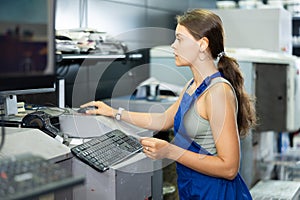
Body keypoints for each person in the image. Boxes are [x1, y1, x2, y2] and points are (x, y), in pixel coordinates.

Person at [80, 8, 256, 200]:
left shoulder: (218, 92)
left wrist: (170, 151)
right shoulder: (192, 85)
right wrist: (115, 113)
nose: (173, 46)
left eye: (179, 39)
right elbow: (164, 120)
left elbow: (229, 168)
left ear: (202, 44)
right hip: (193, 188)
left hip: (216, 192)